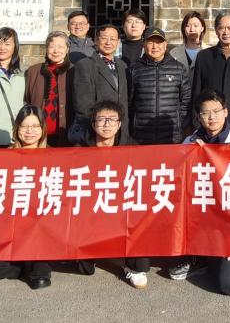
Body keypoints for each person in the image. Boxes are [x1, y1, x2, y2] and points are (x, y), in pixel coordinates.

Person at [170, 90, 230, 294]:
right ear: (198, 117)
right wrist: (191, 155)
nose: (211, 117)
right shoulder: (190, 141)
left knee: (228, 285)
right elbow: (176, 179)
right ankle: (198, 257)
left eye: (216, 111)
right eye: (205, 112)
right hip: (202, 216)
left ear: (226, 112)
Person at [76, 101, 151, 289]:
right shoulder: (79, 150)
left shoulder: (133, 148)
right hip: (91, 208)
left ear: (119, 124)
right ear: (93, 123)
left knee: (139, 214)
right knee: (84, 269)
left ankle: (133, 266)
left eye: (112, 119)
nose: (106, 124)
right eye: (101, 119)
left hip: (123, 207)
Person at [0, 106, 53, 289]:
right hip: (9, 227)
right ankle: (21, 268)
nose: (29, 131)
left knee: (40, 275)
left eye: (35, 126)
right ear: (16, 128)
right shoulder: (3, 157)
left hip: (41, 225)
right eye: (24, 126)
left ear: (43, 129)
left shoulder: (55, 156)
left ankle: (36, 265)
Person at [128, 28, 192, 144]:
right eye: (150, 42)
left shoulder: (178, 68)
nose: (155, 46)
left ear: (165, 44)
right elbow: (129, 102)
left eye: (159, 42)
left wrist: (178, 121)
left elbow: (186, 100)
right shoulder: (134, 69)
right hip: (141, 135)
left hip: (171, 135)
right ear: (144, 45)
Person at [71, 24, 129, 144]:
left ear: (118, 42)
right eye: (104, 38)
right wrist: (98, 125)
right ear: (96, 40)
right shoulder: (85, 65)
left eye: (113, 39)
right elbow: (82, 104)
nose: (108, 42)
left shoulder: (123, 66)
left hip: (120, 130)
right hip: (97, 130)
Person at [25, 30, 73, 146]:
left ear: (67, 49)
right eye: (52, 47)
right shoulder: (33, 71)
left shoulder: (74, 71)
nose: (56, 51)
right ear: (46, 49)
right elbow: (27, 99)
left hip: (66, 134)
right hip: (37, 135)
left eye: (60, 47)